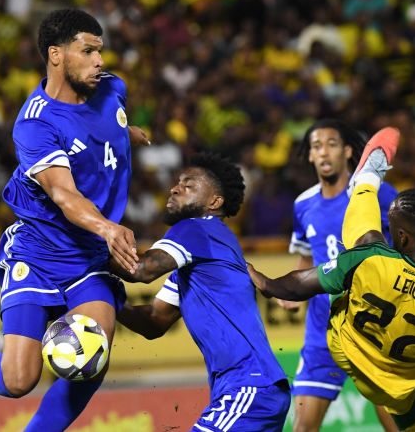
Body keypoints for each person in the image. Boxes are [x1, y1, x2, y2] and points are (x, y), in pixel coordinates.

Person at [0, 9, 142, 431]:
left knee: (92, 359)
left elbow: (108, 124)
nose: (99, 61)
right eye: (87, 51)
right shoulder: (35, 124)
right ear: (56, 55)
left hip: (88, 257)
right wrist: (108, 227)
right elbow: (62, 193)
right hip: (37, 251)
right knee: (19, 379)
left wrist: (130, 132)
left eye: (100, 51)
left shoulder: (112, 90)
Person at [249, 127, 415, 431]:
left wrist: (264, 282)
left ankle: (366, 180)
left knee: (363, 222)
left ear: (401, 237)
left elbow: (299, 283)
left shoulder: (368, 257)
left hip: (350, 347)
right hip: (409, 393)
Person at [114, 153, 291, 431]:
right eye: (176, 182)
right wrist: (111, 300)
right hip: (252, 388)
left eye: (189, 184)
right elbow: (154, 321)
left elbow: (141, 270)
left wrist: (82, 254)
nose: (174, 188)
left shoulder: (196, 228)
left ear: (214, 202)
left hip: (247, 384)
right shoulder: (199, 256)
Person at [282, 119, 398, 431]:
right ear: (309, 156)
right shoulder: (303, 204)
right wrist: (293, 291)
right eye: (316, 146)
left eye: (331, 144)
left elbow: (407, 245)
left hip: (375, 326)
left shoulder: (377, 193)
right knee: (302, 427)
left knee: (395, 425)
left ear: (347, 151)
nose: (323, 153)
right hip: (324, 330)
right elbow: (306, 256)